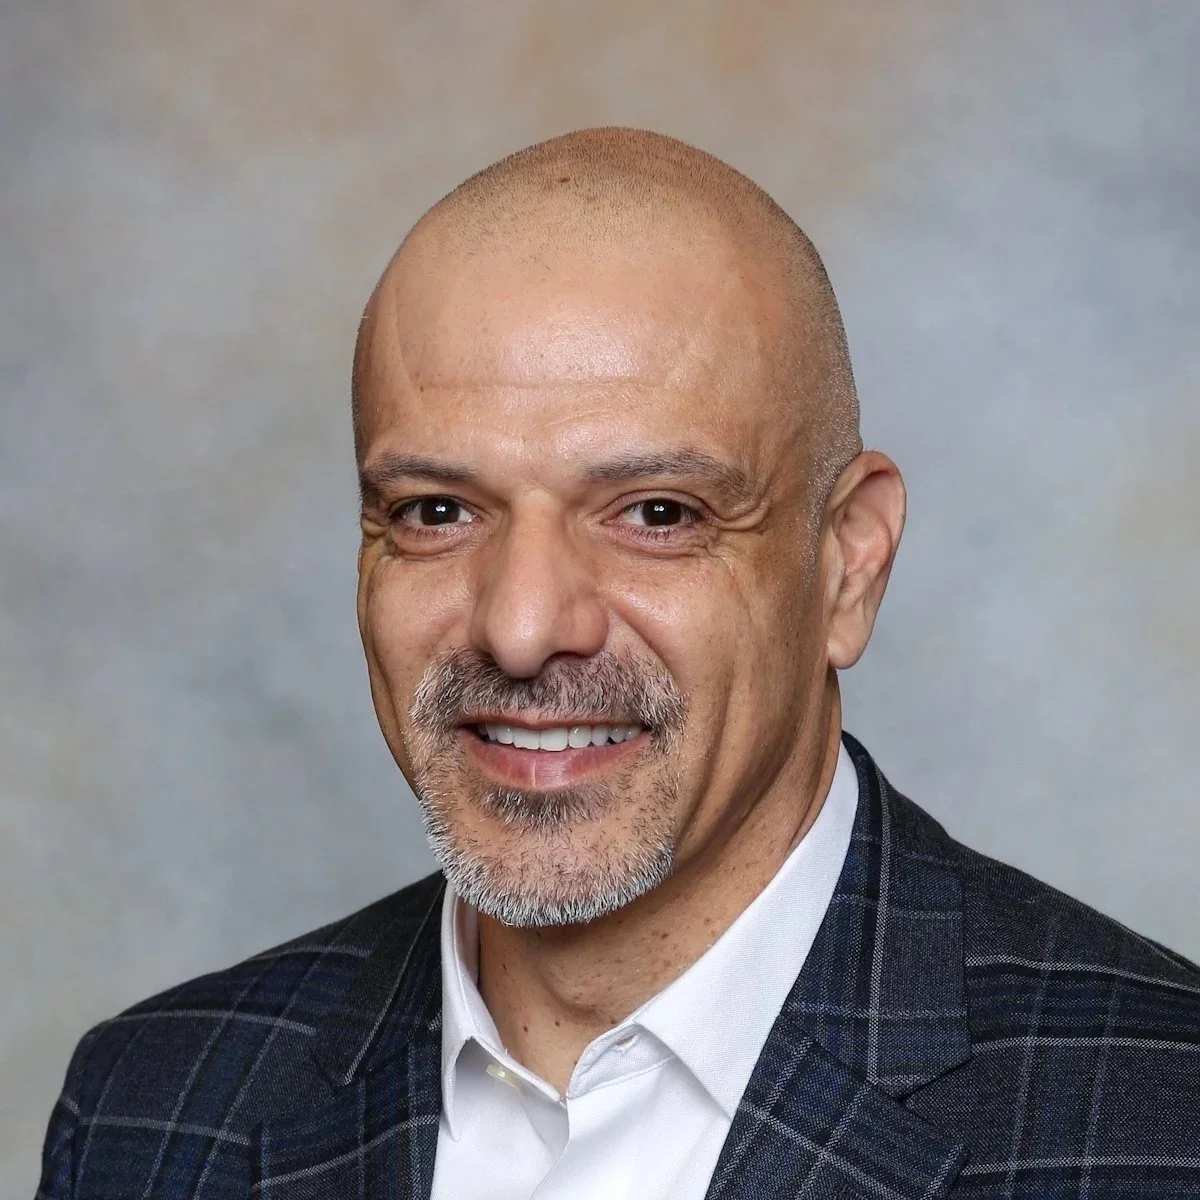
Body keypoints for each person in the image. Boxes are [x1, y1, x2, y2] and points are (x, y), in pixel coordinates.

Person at [38, 128, 1200, 1200]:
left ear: (849, 564)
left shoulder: (1165, 1122)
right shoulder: (151, 1114)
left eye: (656, 512)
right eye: (438, 510)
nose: (522, 627)